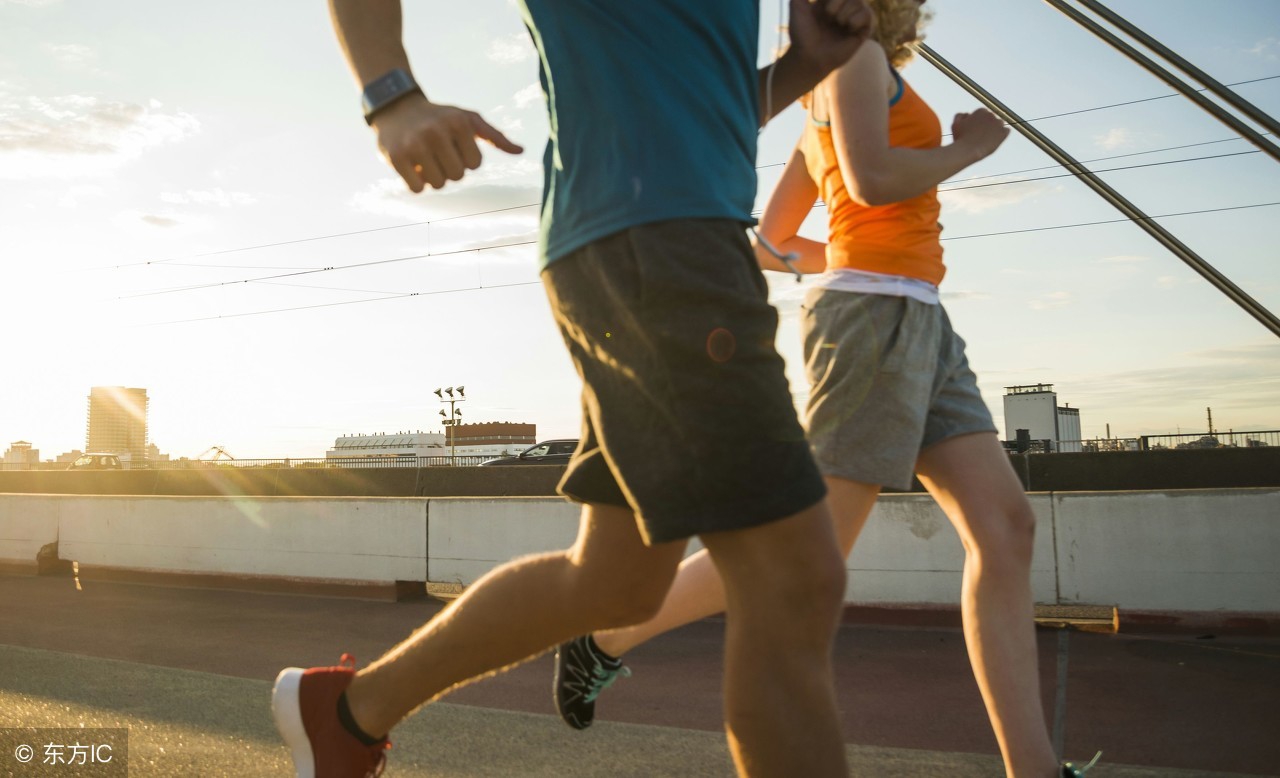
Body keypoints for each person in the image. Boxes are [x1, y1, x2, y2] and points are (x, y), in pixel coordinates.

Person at [270, 1, 874, 776]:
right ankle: (343, 718)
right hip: (657, 242)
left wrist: (800, 68)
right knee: (794, 578)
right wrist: (393, 96)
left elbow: (689, 100)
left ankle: (346, 716)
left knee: (617, 583)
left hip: (666, 239)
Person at [552, 2, 1100, 776]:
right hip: (875, 321)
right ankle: (604, 635)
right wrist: (968, 150)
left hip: (917, 315)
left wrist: (842, 257)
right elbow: (872, 182)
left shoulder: (829, 89)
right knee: (809, 550)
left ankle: (1034, 770)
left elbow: (773, 242)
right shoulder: (858, 61)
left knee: (1006, 529)